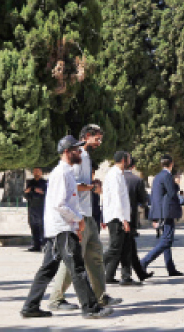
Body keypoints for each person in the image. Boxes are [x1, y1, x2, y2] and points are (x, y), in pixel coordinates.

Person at [19, 135, 113, 319]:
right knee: (77, 268)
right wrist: (79, 219)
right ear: (67, 152)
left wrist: (76, 224)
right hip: (62, 229)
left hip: (61, 228)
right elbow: (60, 204)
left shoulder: (67, 172)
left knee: (47, 269)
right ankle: (90, 308)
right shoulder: (62, 173)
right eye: (76, 150)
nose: (79, 152)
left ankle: (30, 306)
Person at [49, 124, 120, 311]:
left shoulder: (86, 157)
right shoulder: (77, 156)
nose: (99, 143)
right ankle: (56, 298)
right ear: (87, 136)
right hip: (77, 215)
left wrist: (92, 183)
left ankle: (100, 296)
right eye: (97, 139)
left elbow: (83, 183)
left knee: (95, 256)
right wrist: (91, 187)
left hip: (88, 215)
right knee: (73, 259)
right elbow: (73, 184)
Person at [140, 154, 184, 276]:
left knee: (166, 240)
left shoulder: (158, 176)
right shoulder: (167, 176)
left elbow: (155, 197)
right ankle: (144, 262)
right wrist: (176, 183)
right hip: (167, 213)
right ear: (171, 164)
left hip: (161, 212)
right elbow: (172, 192)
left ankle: (171, 268)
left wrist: (154, 216)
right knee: (166, 240)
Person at [120, 156, 152, 284]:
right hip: (130, 217)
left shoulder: (117, 178)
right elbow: (143, 199)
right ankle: (125, 276)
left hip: (117, 216)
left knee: (130, 246)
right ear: (133, 166)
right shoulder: (137, 180)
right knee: (124, 247)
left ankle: (140, 273)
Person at [103, 152, 132, 284]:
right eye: (129, 159)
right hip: (116, 217)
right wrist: (123, 220)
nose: (130, 161)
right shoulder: (114, 175)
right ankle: (93, 267)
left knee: (125, 248)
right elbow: (116, 199)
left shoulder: (119, 174)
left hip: (120, 216)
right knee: (114, 248)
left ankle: (121, 277)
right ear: (123, 160)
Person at [24, 167, 47, 252]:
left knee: (42, 227)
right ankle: (36, 245)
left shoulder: (45, 183)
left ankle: (45, 245)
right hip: (32, 208)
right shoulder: (30, 183)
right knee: (33, 226)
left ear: (41, 172)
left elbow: (48, 195)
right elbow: (26, 195)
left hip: (42, 208)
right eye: (34, 172)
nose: (36, 173)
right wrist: (26, 192)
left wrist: (42, 192)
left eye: (38, 171)